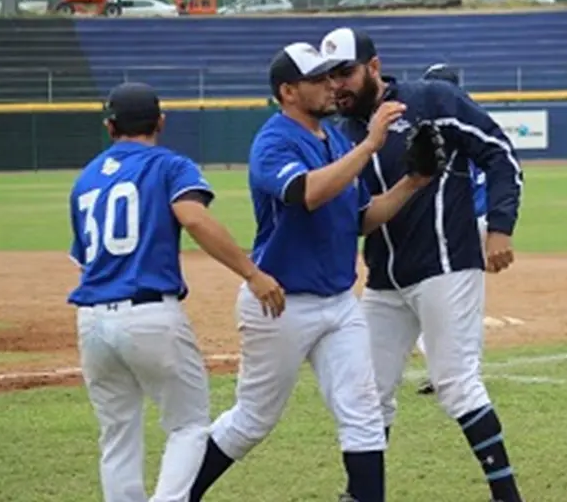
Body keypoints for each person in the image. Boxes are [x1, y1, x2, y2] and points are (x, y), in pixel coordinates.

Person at [188, 42, 437, 502]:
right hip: (281, 302)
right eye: (317, 79)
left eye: (331, 76)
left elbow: (361, 217)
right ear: (287, 91)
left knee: (362, 409)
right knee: (252, 420)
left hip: (339, 302)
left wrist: (413, 183)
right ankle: (178, 494)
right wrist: (370, 145)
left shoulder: (336, 140)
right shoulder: (273, 141)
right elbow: (306, 193)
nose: (330, 85)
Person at [321, 27, 525, 502]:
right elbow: (350, 215)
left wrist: (500, 225)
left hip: (446, 264)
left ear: (373, 67)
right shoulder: (344, 135)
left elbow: (498, 152)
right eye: (331, 77)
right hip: (385, 280)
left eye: (346, 72)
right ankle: (361, 494)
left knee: (455, 383)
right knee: (366, 393)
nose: (338, 85)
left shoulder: (430, 100)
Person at [68, 82, 285, 502]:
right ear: (161, 122)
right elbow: (194, 218)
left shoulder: (86, 179)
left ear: (109, 126)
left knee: (117, 435)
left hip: (92, 319)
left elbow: (84, 260)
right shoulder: (169, 165)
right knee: (188, 426)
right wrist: (251, 272)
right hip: (149, 314)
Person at [414, 62, 489, 396]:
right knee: (466, 303)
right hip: (481, 220)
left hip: (455, 221)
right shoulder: (472, 118)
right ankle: (461, 369)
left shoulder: (434, 126)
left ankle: (450, 371)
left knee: (423, 293)